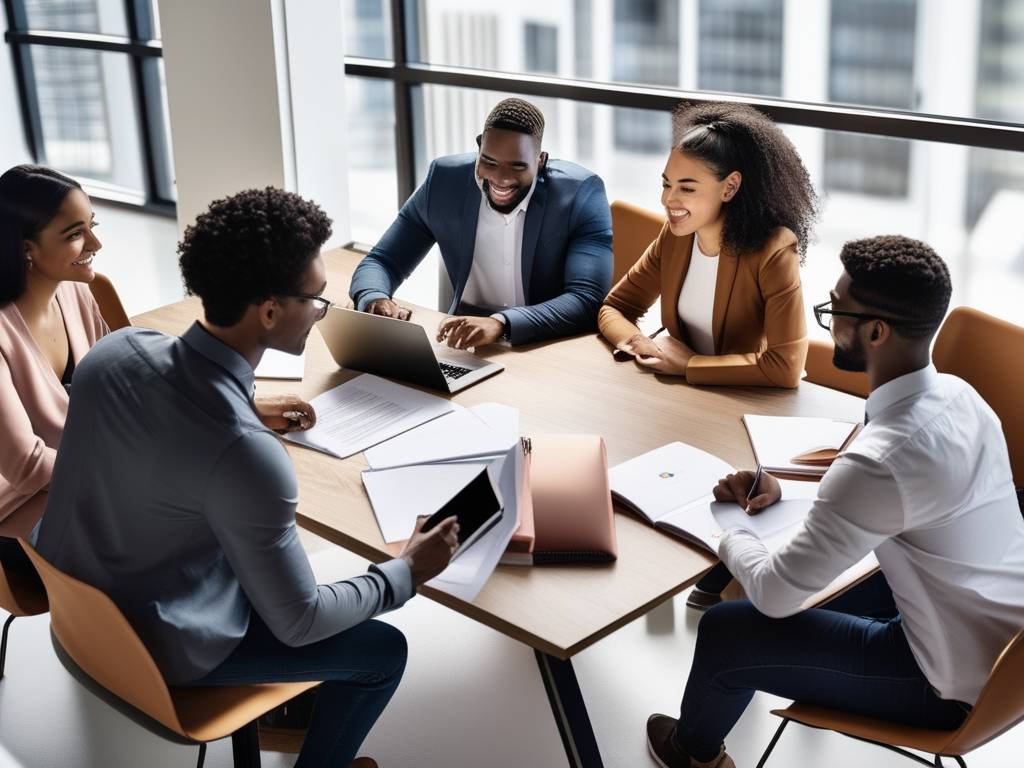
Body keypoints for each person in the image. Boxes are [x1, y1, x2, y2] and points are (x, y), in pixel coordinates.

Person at [35, 188, 460, 768]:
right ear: (268, 311)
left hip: (84, 620)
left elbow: (165, 425)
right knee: (382, 649)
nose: (319, 311)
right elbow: (301, 621)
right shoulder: (247, 455)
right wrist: (406, 573)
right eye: (316, 300)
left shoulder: (118, 351)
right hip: (160, 647)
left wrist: (245, 404)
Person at [646, 236, 1024, 768]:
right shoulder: (963, 397)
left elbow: (777, 593)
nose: (827, 318)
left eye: (834, 308)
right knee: (794, 590)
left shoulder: (880, 461)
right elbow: (887, 488)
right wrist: (784, 482)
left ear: (876, 330)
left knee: (728, 628)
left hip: (943, 683)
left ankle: (693, 755)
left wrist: (724, 534)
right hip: (1004, 644)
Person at [349, 97, 613, 347]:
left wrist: (500, 323)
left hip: (543, 345)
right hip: (462, 342)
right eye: (489, 161)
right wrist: (375, 297)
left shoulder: (581, 194)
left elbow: (586, 300)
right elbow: (384, 261)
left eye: (518, 166)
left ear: (540, 160)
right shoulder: (444, 180)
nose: (501, 178)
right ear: (479, 149)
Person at [598, 102, 817, 388]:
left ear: (730, 187)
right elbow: (615, 307)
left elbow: (785, 367)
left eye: (687, 188)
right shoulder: (677, 236)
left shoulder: (774, 249)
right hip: (685, 394)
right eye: (667, 184)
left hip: (749, 400)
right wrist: (640, 343)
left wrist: (689, 365)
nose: (668, 200)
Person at [0, 165, 108, 541]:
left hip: (89, 485)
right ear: (26, 248)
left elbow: (123, 385)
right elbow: (26, 467)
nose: (95, 244)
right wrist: (118, 472)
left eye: (92, 225)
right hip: (20, 512)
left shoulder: (73, 291)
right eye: (76, 234)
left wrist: (240, 406)